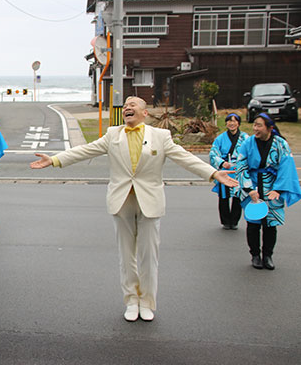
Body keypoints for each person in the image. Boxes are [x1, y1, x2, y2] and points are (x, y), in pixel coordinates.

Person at [30, 96, 237, 322]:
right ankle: (131, 300)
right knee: (126, 256)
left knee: (149, 257)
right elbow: (86, 150)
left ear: (144, 113)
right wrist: (55, 160)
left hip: (150, 201)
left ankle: (147, 302)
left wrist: (213, 173)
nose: (127, 108)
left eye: (133, 105)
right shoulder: (113, 134)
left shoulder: (161, 136)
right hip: (122, 202)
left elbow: (185, 158)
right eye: (126, 106)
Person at [234, 113, 301, 270]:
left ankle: (268, 255)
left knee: (270, 225)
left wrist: (278, 189)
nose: (255, 128)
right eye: (254, 125)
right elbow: (241, 166)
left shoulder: (280, 144)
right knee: (253, 223)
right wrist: (249, 189)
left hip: (273, 187)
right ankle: (255, 255)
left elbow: (287, 166)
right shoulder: (248, 143)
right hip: (253, 187)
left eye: (259, 125)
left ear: (269, 127)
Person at [209, 113, 249, 229]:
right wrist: (222, 163)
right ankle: (226, 221)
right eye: (229, 121)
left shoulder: (245, 138)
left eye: (234, 121)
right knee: (224, 196)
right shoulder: (220, 138)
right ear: (226, 123)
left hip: (238, 170)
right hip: (225, 169)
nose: (232, 123)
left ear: (239, 123)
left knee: (237, 196)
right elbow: (213, 153)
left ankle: (234, 221)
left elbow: (250, 152)